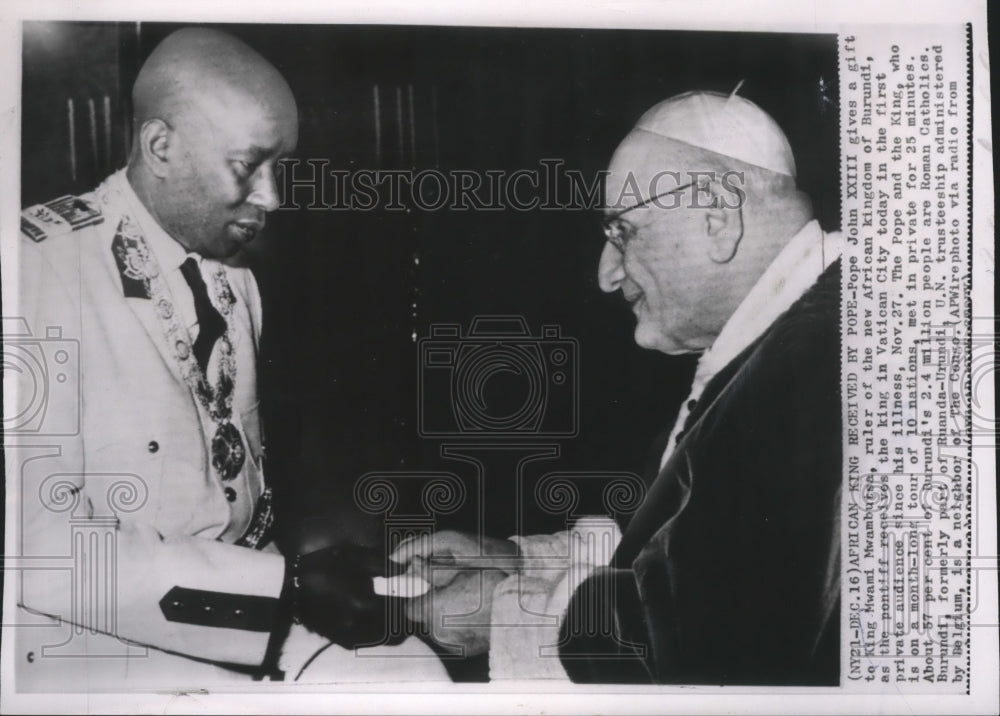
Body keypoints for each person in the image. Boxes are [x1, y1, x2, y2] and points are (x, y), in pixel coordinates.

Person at [11, 27, 444, 689]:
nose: (272, 197)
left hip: (237, 608)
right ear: (161, 147)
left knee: (412, 677)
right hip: (84, 639)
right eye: (248, 166)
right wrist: (283, 590)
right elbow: (38, 553)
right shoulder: (32, 271)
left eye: (282, 167)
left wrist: (294, 583)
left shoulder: (230, 273)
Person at [391, 90, 843, 684]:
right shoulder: (791, 334)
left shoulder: (821, 370)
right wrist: (519, 560)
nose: (606, 274)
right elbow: (685, 554)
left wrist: (503, 619)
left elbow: (713, 653)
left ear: (719, 220)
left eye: (624, 232)